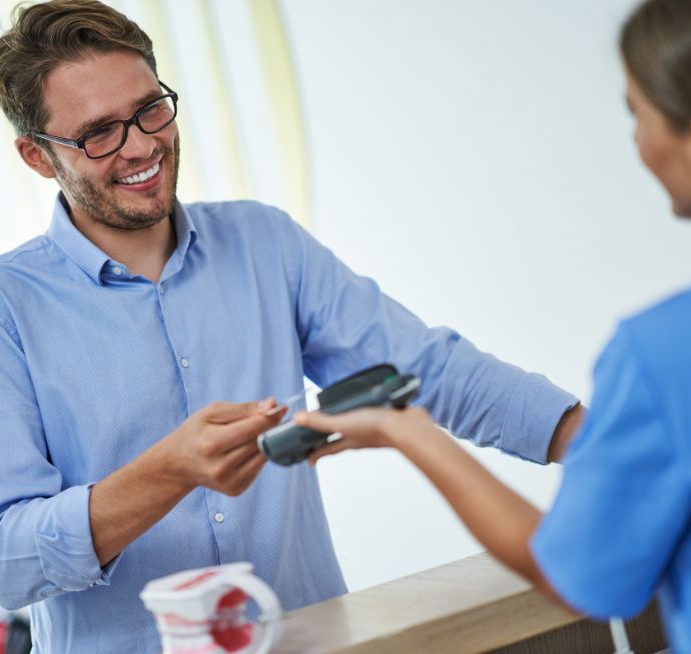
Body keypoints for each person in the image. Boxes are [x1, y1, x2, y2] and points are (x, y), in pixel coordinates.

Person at [0, 1, 582, 651]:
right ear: (38, 156)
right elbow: (3, 560)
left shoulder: (263, 242)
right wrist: (167, 471)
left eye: (150, 109)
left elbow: (427, 371)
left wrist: (599, 444)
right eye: (99, 133)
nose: (141, 146)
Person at [295, 0, 691, 650]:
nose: (638, 141)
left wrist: (410, 434)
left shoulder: (661, 353)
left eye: (637, 114)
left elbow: (575, 577)